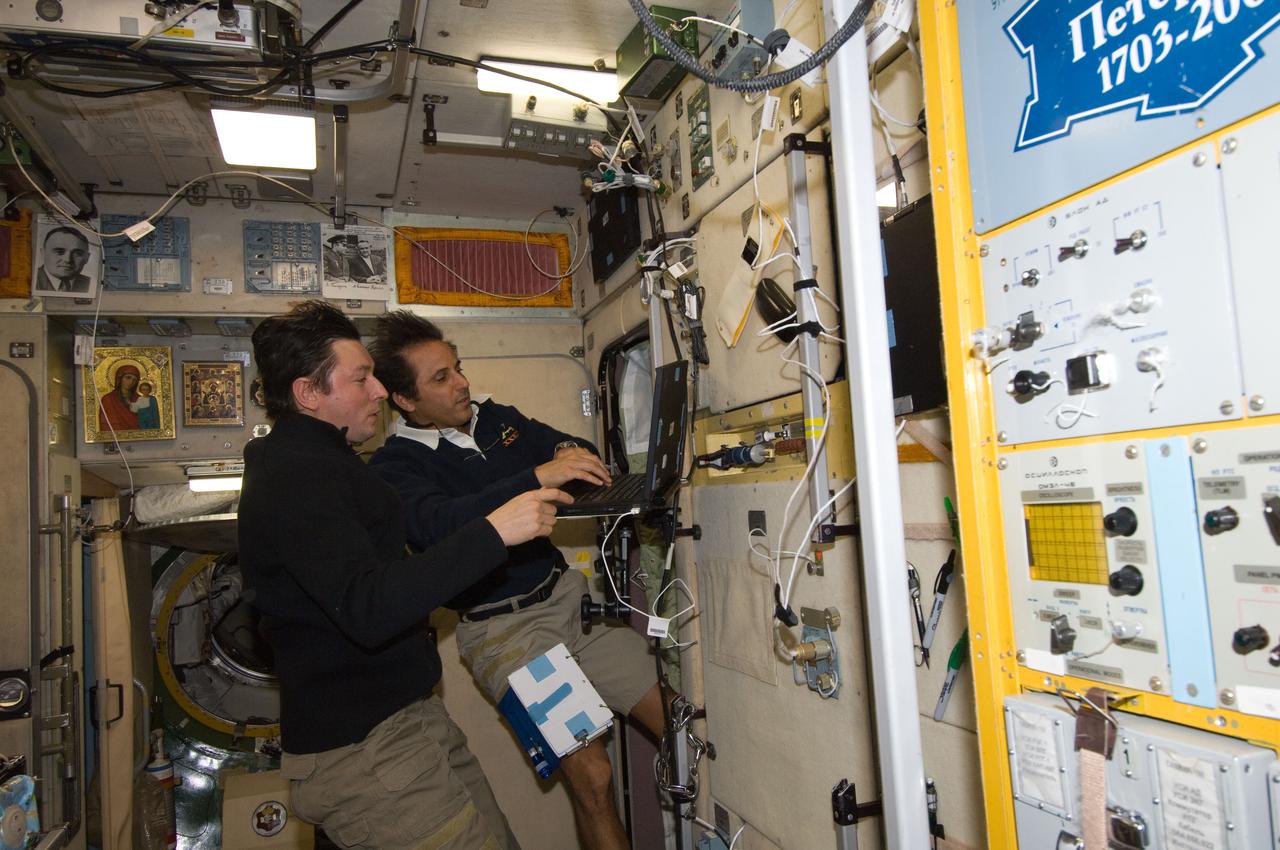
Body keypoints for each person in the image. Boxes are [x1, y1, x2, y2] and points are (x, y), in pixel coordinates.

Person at [238, 300, 570, 850]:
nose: (377, 392)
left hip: (409, 717)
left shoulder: (332, 461)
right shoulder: (295, 475)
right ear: (307, 393)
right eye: (361, 378)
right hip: (363, 747)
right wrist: (493, 531)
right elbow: (368, 607)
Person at [368, 310, 671, 850]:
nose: (461, 382)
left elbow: (573, 451)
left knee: (680, 719)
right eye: (441, 378)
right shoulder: (395, 467)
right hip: (508, 634)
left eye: (457, 368)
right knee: (593, 774)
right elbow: (441, 524)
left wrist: (561, 452)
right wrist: (535, 476)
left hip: (569, 607)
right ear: (404, 401)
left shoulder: (497, 418)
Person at [35, 227, 93, 293]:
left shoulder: (91, 284)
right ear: (43, 253)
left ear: (87, 258)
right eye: (59, 252)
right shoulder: (29, 280)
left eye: (77, 254)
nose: (68, 260)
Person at [98, 363, 141, 431]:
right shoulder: (108, 399)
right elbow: (105, 424)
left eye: (134, 380)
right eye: (128, 377)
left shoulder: (139, 399)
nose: (131, 382)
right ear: (120, 378)